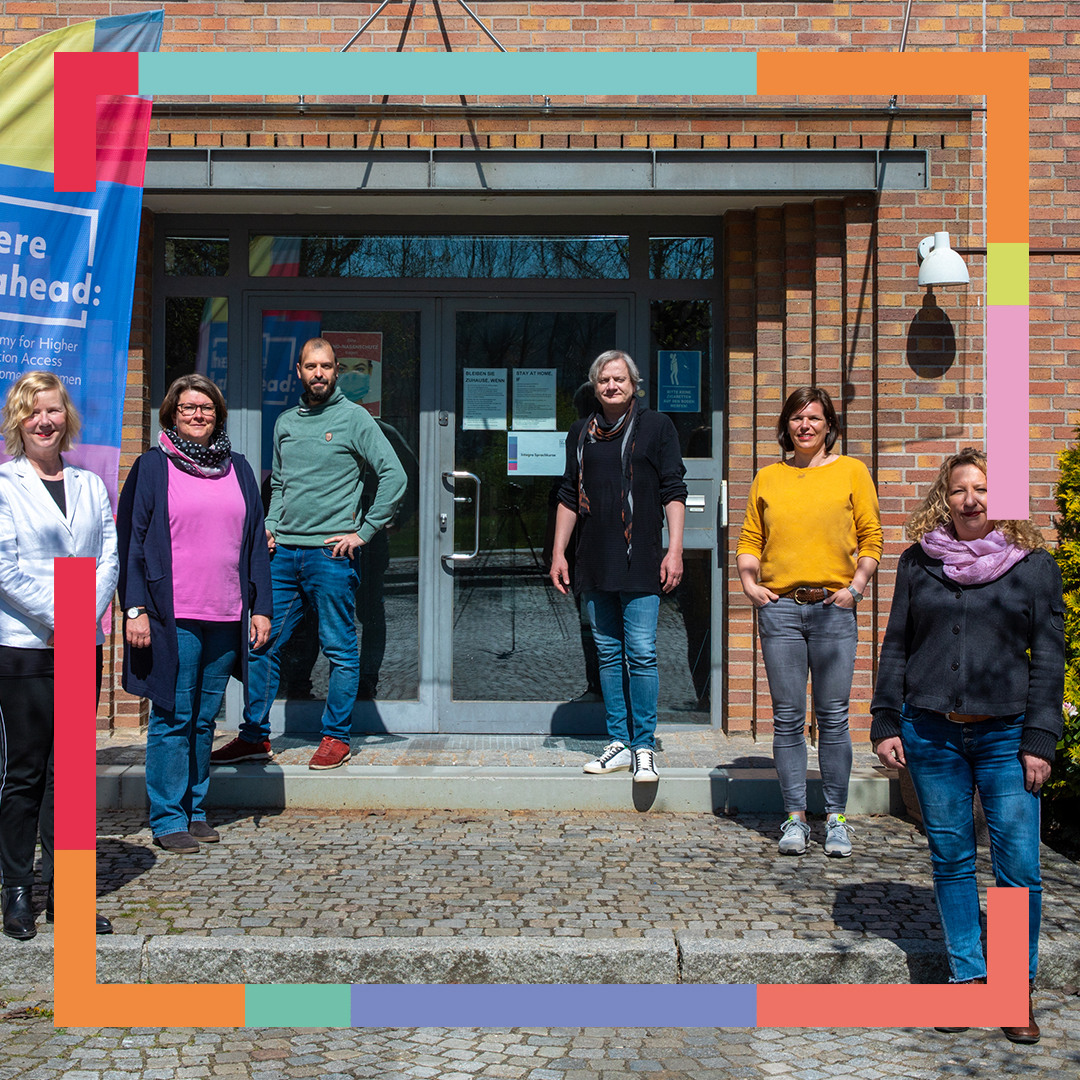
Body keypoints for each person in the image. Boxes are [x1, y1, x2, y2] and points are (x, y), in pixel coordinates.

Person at [870, 447, 1063, 1044]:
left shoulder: (1032, 566)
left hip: (1007, 735)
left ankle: (1011, 991)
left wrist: (1039, 738)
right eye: (959, 490)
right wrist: (885, 720)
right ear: (943, 498)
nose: (971, 500)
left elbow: (1050, 659)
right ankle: (964, 976)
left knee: (1017, 868)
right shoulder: (917, 564)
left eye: (982, 489)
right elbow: (897, 644)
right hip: (931, 732)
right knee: (951, 860)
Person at [211, 337, 407, 770]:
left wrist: (365, 531)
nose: (318, 374)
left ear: (336, 370)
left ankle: (336, 737)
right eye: (310, 366)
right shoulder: (286, 423)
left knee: (339, 648)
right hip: (282, 556)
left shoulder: (355, 419)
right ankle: (255, 737)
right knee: (261, 644)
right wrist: (270, 526)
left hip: (330, 554)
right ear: (297, 371)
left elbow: (394, 476)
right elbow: (279, 486)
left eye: (326, 366)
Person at [117, 375, 272, 855]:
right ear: (171, 414)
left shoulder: (239, 469)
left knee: (204, 719)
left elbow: (255, 545)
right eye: (187, 408)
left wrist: (261, 607)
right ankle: (167, 816)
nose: (197, 415)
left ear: (218, 414)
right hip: (171, 616)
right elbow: (132, 544)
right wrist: (136, 607)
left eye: (205, 407)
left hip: (226, 613)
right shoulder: (151, 467)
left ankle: (196, 809)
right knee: (172, 716)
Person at [736, 386, 882, 857]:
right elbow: (750, 536)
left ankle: (836, 818)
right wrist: (747, 581)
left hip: (833, 608)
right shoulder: (769, 478)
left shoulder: (852, 472)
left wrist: (855, 588)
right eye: (797, 418)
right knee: (787, 719)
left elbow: (871, 536)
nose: (805, 426)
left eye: (814, 418)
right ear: (786, 426)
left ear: (829, 425)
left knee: (834, 718)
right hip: (779, 609)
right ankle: (795, 818)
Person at [0, 372, 117, 939]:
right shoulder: (4, 484)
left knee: (70, 776)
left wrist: (81, 617)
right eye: (32, 412)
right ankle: (17, 889)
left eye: (53, 411)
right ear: (19, 423)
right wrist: (64, 615)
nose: (44, 421)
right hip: (24, 646)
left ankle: (68, 894)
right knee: (25, 772)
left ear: (66, 418)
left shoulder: (90, 485)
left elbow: (108, 558)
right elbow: (5, 571)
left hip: (79, 647)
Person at [550, 350, 687, 782]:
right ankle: (619, 743)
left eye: (619, 379)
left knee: (641, 652)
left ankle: (644, 745)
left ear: (633, 385)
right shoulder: (581, 434)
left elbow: (673, 489)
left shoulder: (657, 427)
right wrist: (559, 552)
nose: (611, 386)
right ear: (595, 386)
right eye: (604, 380)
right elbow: (569, 495)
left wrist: (675, 549)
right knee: (608, 653)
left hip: (642, 556)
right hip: (594, 557)